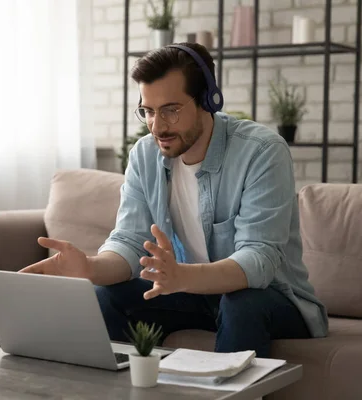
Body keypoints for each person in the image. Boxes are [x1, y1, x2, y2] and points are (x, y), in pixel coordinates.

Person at [20, 42, 328, 357]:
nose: (157, 125)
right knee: (106, 294)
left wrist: (181, 276)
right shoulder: (144, 154)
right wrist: (89, 268)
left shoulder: (262, 152)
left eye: (171, 110)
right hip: (195, 293)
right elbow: (129, 241)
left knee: (241, 303)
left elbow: (259, 260)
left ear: (209, 100)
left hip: (272, 298)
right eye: (148, 111)